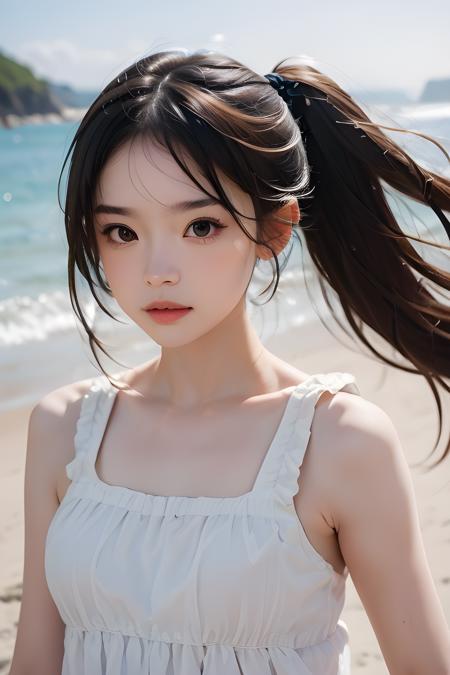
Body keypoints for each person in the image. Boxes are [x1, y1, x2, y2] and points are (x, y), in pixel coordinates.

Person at [8, 49, 450, 675]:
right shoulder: (64, 431)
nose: (158, 270)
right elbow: (35, 660)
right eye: (122, 233)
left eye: (201, 226)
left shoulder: (338, 443)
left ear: (275, 228)